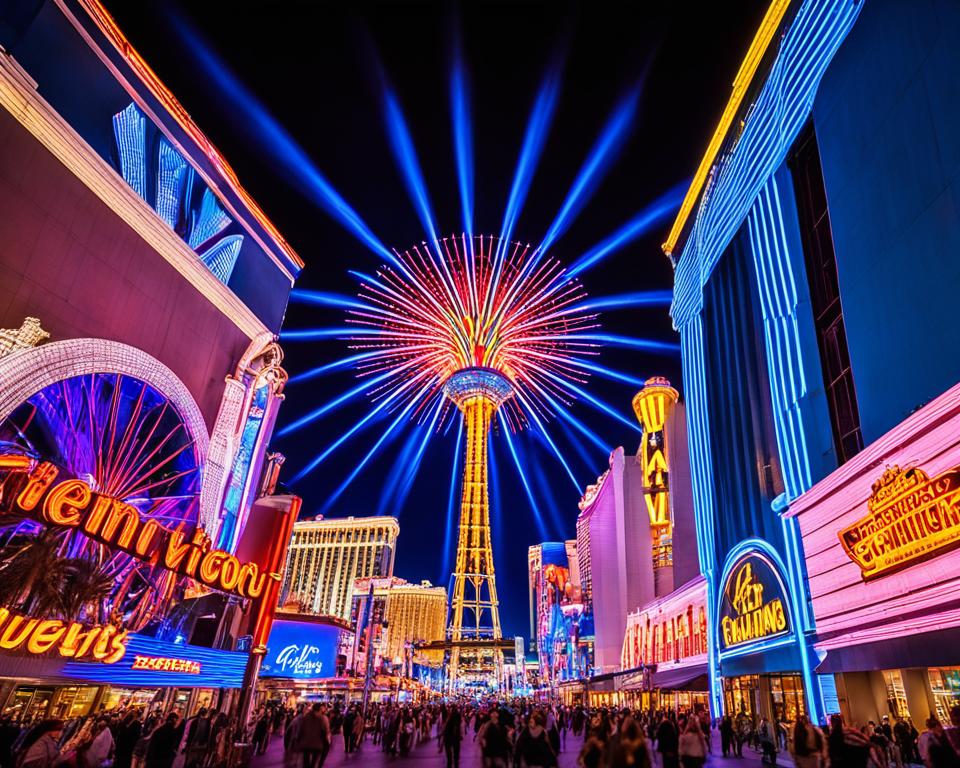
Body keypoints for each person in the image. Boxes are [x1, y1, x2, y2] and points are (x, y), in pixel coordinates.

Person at [296, 704, 330, 768]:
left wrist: (298, 739)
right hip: (317, 743)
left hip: (306, 742)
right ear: (319, 709)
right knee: (314, 762)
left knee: (306, 761)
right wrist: (326, 741)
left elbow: (300, 729)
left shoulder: (305, 717)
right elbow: (325, 731)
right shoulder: (322, 718)